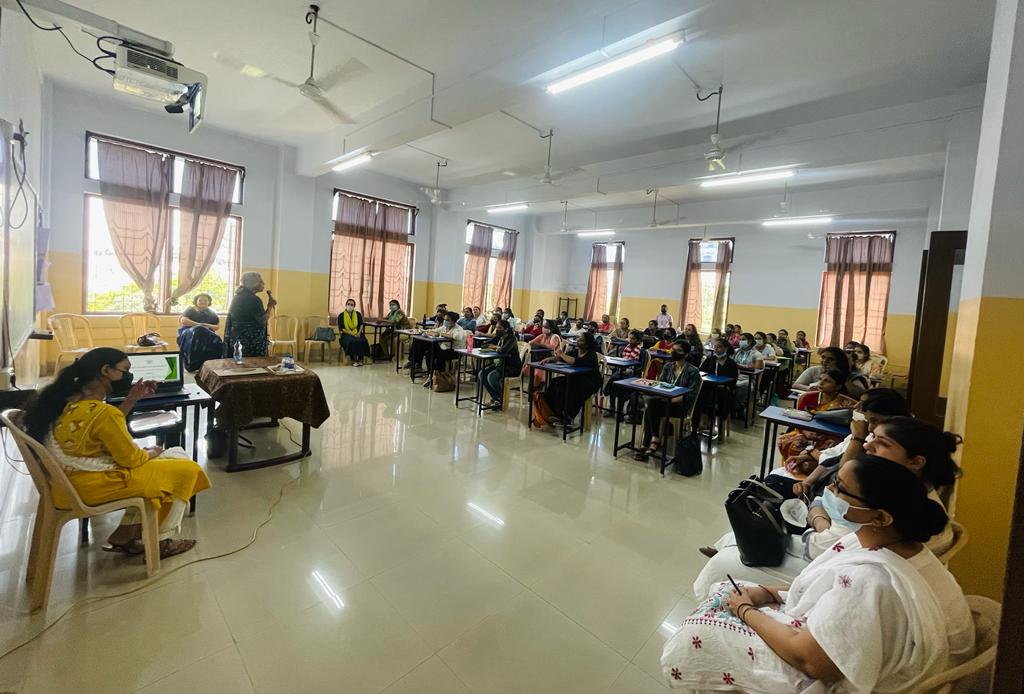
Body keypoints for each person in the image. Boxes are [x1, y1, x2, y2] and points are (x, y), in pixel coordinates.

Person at [668, 455, 974, 693]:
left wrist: (746, 611)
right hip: (831, 639)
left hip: (828, 670)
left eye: (840, 489)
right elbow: (822, 586)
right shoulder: (882, 541)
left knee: (697, 636)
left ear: (881, 517)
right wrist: (768, 593)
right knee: (726, 593)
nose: (829, 491)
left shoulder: (870, 581)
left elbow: (812, 661)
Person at [693, 418, 961, 598]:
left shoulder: (900, 501)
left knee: (726, 562)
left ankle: (723, 573)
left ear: (916, 461)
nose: (867, 445)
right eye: (871, 438)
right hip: (832, 545)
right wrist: (822, 510)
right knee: (747, 536)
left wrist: (818, 516)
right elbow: (834, 496)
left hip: (832, 564)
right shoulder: (894, 484)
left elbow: (827, 544)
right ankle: (729, 548)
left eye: (881, 444)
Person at [22, 348, 210, 558]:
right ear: (106, 371)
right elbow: (130, 459)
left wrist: (131, 399)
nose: (128, 376)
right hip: (90, 486)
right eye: (125, 370)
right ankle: (161, 541)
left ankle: (125, 534)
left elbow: (104, 427)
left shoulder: (70, 401)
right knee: (186, 470)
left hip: (68, 482)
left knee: (175, 455)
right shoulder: (103, 412)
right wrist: (151, 452)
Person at [765, 388, 908, 500]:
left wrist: (858, 437)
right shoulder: (869, 433)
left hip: (834, 493)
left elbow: (844, 470)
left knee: (772, 485)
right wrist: (808, 481)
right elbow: (834, 458)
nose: (857, 406)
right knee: (770, 482)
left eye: (874, 420)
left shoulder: (877, 444)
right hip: (823, 487)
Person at [633, 342, 700, 460]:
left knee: (651, 406)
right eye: (673, 349)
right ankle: (654, 439)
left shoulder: (693, 371)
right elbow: (660, 385)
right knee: (651, 404)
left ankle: (646, 444)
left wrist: (671, 400)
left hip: (680, 406)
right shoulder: (668, 367)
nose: (674, 352)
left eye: (678, 351)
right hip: (664, 402)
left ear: (685, 354)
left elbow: (690, 395)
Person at [776, 369, 858, 461]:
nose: (821, 383)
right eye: (820, 379)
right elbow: (798, 418)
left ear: (838, 386)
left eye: (827, 381)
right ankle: (790, 467)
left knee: (829, 447)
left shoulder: (846, 403)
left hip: (829, 436)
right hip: (804, 431)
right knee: (790, 442)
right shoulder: (807, 397)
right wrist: (806, 432)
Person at [533, 331, 603, 427]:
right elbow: (561, 358)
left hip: (590, 382)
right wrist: (550, 359)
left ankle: (567, 417)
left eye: (581, 340)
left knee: (570, 388)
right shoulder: (576, 351)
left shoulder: (591, 355)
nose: (578, 340)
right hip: (576, 378)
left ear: (587, 345)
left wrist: (562, 353)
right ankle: (551, 411)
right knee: (555, 382)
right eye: (578, 338)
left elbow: (574, 361)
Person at [224, 271, 275, 357]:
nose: (263, 283)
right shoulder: (253, 299)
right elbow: (262, 320)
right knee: (253, 364)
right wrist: (270, 306)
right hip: (250, 342)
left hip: (237, 338)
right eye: (261, 282)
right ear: (254, 284)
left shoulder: (238, 296)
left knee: (240, 363)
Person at [478, 319, 523, 409]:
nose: (497, 330)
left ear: (506, 329)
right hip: (500, 364)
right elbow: (484, 345)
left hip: (512, 367)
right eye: (497, 328)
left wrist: (494, 347)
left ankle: (500, 399)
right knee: (481, 374)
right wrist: (494, 347)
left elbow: (503, 350)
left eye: (500, 328)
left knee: (491, 377)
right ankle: (496, 398)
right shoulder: (499, 337)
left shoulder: (511, 338)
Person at [793, 346, 868, 397]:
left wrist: (841, 375)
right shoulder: (813, 370)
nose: (825, 361)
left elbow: (861, 395)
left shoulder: (852, 376)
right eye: (823, 357)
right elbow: (795, 385)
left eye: (831, 359)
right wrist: (808, 388)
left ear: (839, 361)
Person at [176, 293, 223, 372]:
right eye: (200, 300)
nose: (203, 302)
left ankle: (209, 364)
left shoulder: (212, 313)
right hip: (188, 333)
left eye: (205, 300)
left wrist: (204, 326)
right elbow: (184, 321)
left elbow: (216, 327)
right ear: (196, 301)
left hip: (206, 334)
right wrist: (199, 325)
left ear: (209, 302)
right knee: (198, 330)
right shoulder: (190, 309)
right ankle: (192, 365)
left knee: (216, 339)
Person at [523, 319, 562, 388]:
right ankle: (533, 388)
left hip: (551, 359)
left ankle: (536, 388)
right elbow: (530, 342)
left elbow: (552, 347)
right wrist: (533, 343)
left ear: (552, 329)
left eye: (546, 327)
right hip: (540, 358)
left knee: (538, 371)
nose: (544, 328)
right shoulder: (542, 335)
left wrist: (540, 344)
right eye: (543, 326)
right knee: (527, 367)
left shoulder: (554, 337)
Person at [337, 299, 371, 366]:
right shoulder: (341, 315)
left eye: (352, 305)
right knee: (351, 341)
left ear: (354, 306)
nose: (350, 306)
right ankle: (353, 360)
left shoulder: (358, 314)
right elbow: (342, 328)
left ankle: (360, 359)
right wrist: (352, 334)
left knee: (363, 341)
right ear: (346, 305)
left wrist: (359, 333)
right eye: (348, 304)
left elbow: (361, 324)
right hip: (346, 334)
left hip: (357, 333)